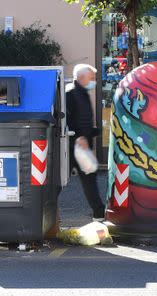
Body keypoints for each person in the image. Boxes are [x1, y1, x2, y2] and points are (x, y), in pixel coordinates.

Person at [67, 64, 105, 220]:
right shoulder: (71, 93)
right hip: (73, 146)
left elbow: (83, 120)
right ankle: (99, 213)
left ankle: (99, 213)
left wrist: (95, 132)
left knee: (89, 179)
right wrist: (79, 136)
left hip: (81, 145)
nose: (94, 81)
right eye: (92, 78)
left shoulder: (83, 93)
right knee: (57, 184)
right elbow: (66, 119)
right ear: (81, 78)